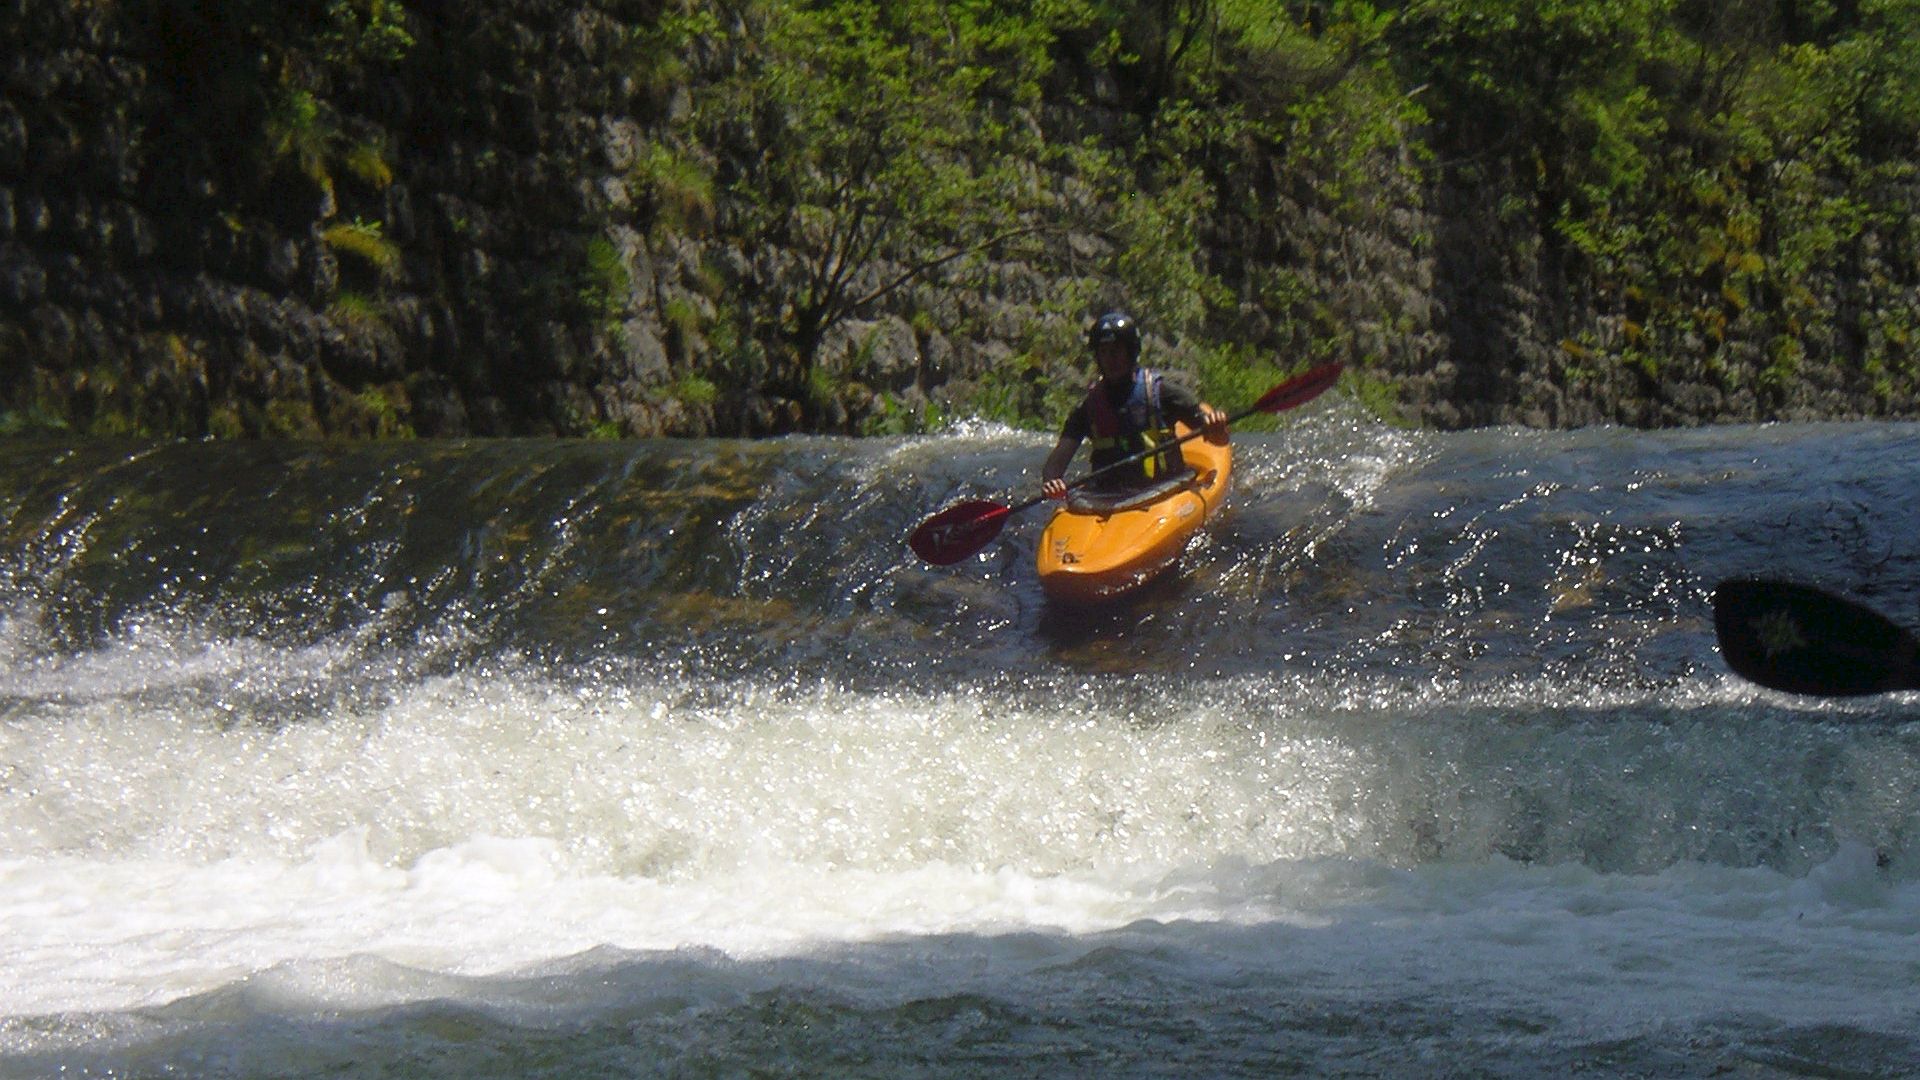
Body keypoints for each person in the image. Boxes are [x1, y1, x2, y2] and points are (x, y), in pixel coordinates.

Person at [1040, 310, 1229, 500]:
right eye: (1104, 352)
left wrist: (1217, 428)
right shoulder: (1088, 408)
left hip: (1164, 489)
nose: (1110, 359)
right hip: (1106, 496)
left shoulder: (1163, 394)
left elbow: (1219, 440)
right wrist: (1052, 483)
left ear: (1131, 352)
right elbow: (1054, 465)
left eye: (1116, 351)